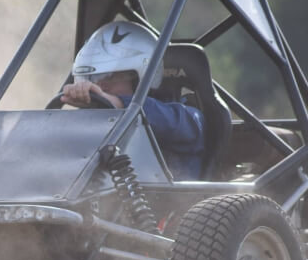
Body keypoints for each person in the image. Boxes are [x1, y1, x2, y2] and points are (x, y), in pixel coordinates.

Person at [60, 21, 205, 180]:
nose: (100, 86)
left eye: (110, 76)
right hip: (106, 201)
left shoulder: (186, 118)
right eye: (93, 79)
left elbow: (164, 119)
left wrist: (117, 103)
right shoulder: (99, 125)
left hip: (174, 203)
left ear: (140, 78)